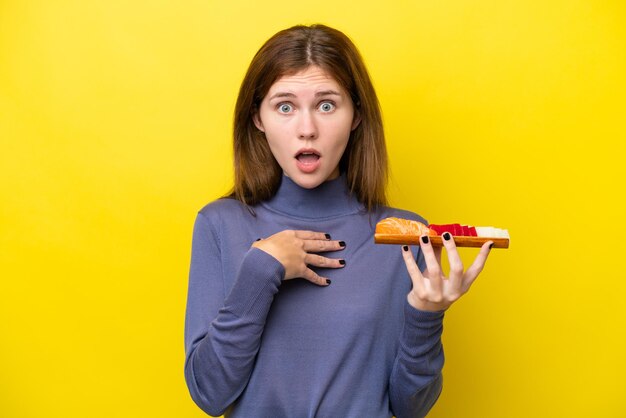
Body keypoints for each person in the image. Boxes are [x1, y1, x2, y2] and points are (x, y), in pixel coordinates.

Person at [184, 24, 493, 418]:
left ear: (357, 116)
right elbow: (209, 395)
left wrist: (426, 316)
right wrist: (262, 269)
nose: (307, 129)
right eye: (285, 106)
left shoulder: (402, 236)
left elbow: (410, 407)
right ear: (258, 119)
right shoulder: (219, 224)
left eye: (327, 105)